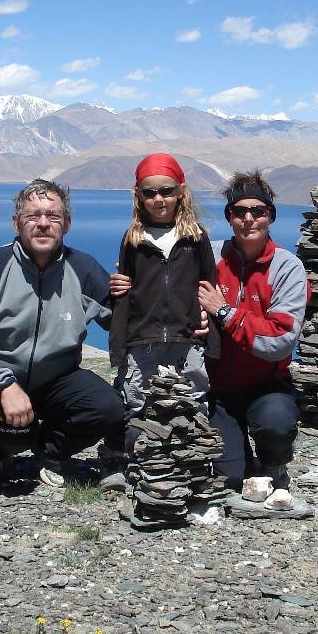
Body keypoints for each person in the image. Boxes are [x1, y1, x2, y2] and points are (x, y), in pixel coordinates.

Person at [0, 179, 124, 495]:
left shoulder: (83, 269)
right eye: (33, 215)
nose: (43, 224)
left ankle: (48, 450)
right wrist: (3, 385)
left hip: (57, 379)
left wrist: (141, 293)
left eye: (52, 216)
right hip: (0, 380)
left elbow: (121, 324)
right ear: (16, 222)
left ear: (66, 223)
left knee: (108, 408)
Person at [101, 153, 217, 490]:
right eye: (150, 192)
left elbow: (208, 286)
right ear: (138, 195)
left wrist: (208, 325)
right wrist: (119, 344)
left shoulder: (196, 238)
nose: (158, 199)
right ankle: (137, 469)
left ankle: (191, 470)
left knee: (193, 403)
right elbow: (125, 291)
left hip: (186, 339)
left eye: (166, 191)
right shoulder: (133, 240)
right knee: (139, 405)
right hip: (142, 340)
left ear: (181, 191)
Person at [197, 171, 308, 502]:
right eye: (239, 211)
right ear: (229, 216)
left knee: (275, 423)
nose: (249, 218)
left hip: (266, 385)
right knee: (231, 477)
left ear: (270, 216)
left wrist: (224, 313)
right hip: (215, 387)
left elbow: (279, 342)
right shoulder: (209, 257)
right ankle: (240, 457)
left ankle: (275, 464)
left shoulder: (287, 268)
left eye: (258, 211)